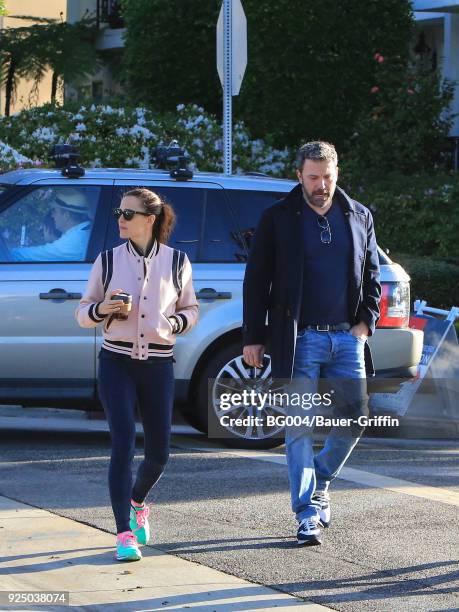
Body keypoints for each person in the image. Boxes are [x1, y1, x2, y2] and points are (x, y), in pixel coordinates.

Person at [242, 141, 381, 546]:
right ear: (300, 174)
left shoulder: (359, 216)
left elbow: (372, 275)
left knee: (354, 419)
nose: (321, 185)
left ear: (337, 173)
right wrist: (254, 336)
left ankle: (319, 480)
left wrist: (365, 323)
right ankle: (306, 513)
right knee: (299, 428)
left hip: (346, 337)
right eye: (313, 177)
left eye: (328, 177)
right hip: (299, 338)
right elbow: (257, 280)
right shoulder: (278, 218)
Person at [75, 188, 198, 562]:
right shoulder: (108, 260)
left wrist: (175, 321)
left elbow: (191, 310)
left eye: (128, 214)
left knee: (159, 454)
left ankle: (137, 502)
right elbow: (82, 313)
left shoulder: (178, 262)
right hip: (116, 363)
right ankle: (123, 533)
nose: (121, 220)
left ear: (150, 219)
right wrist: (102, 309)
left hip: (159, 365)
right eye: (119, 213)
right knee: (123, 443)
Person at [10, 188, 91, 261]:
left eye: (55, 211)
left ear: (66, 215)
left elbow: (38, 255)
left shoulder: (75, 239)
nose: (52, 215)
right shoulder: (83, 232)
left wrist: (8, 253)